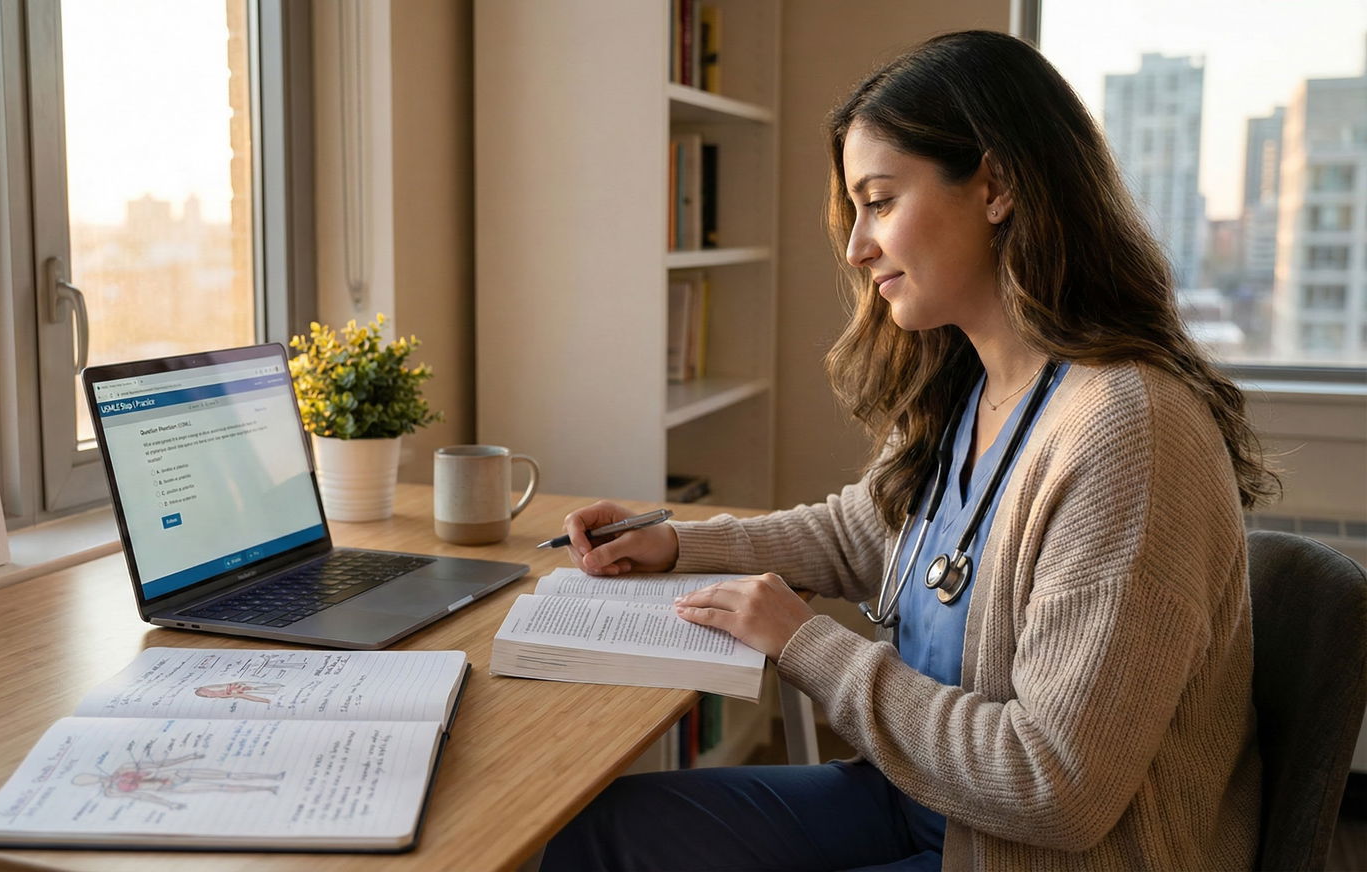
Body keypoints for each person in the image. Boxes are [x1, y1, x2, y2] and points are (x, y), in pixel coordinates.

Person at [539, 30, 1278, 872]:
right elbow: (865, 532)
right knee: (606, 835)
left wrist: (807, 644)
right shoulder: (969, 382)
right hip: (926, 801)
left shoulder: (1128, 434)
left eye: (880, 202)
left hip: (1033, 852)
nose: (856, 247)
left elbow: (1056, 788)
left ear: (996, 186)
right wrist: (678, 544)